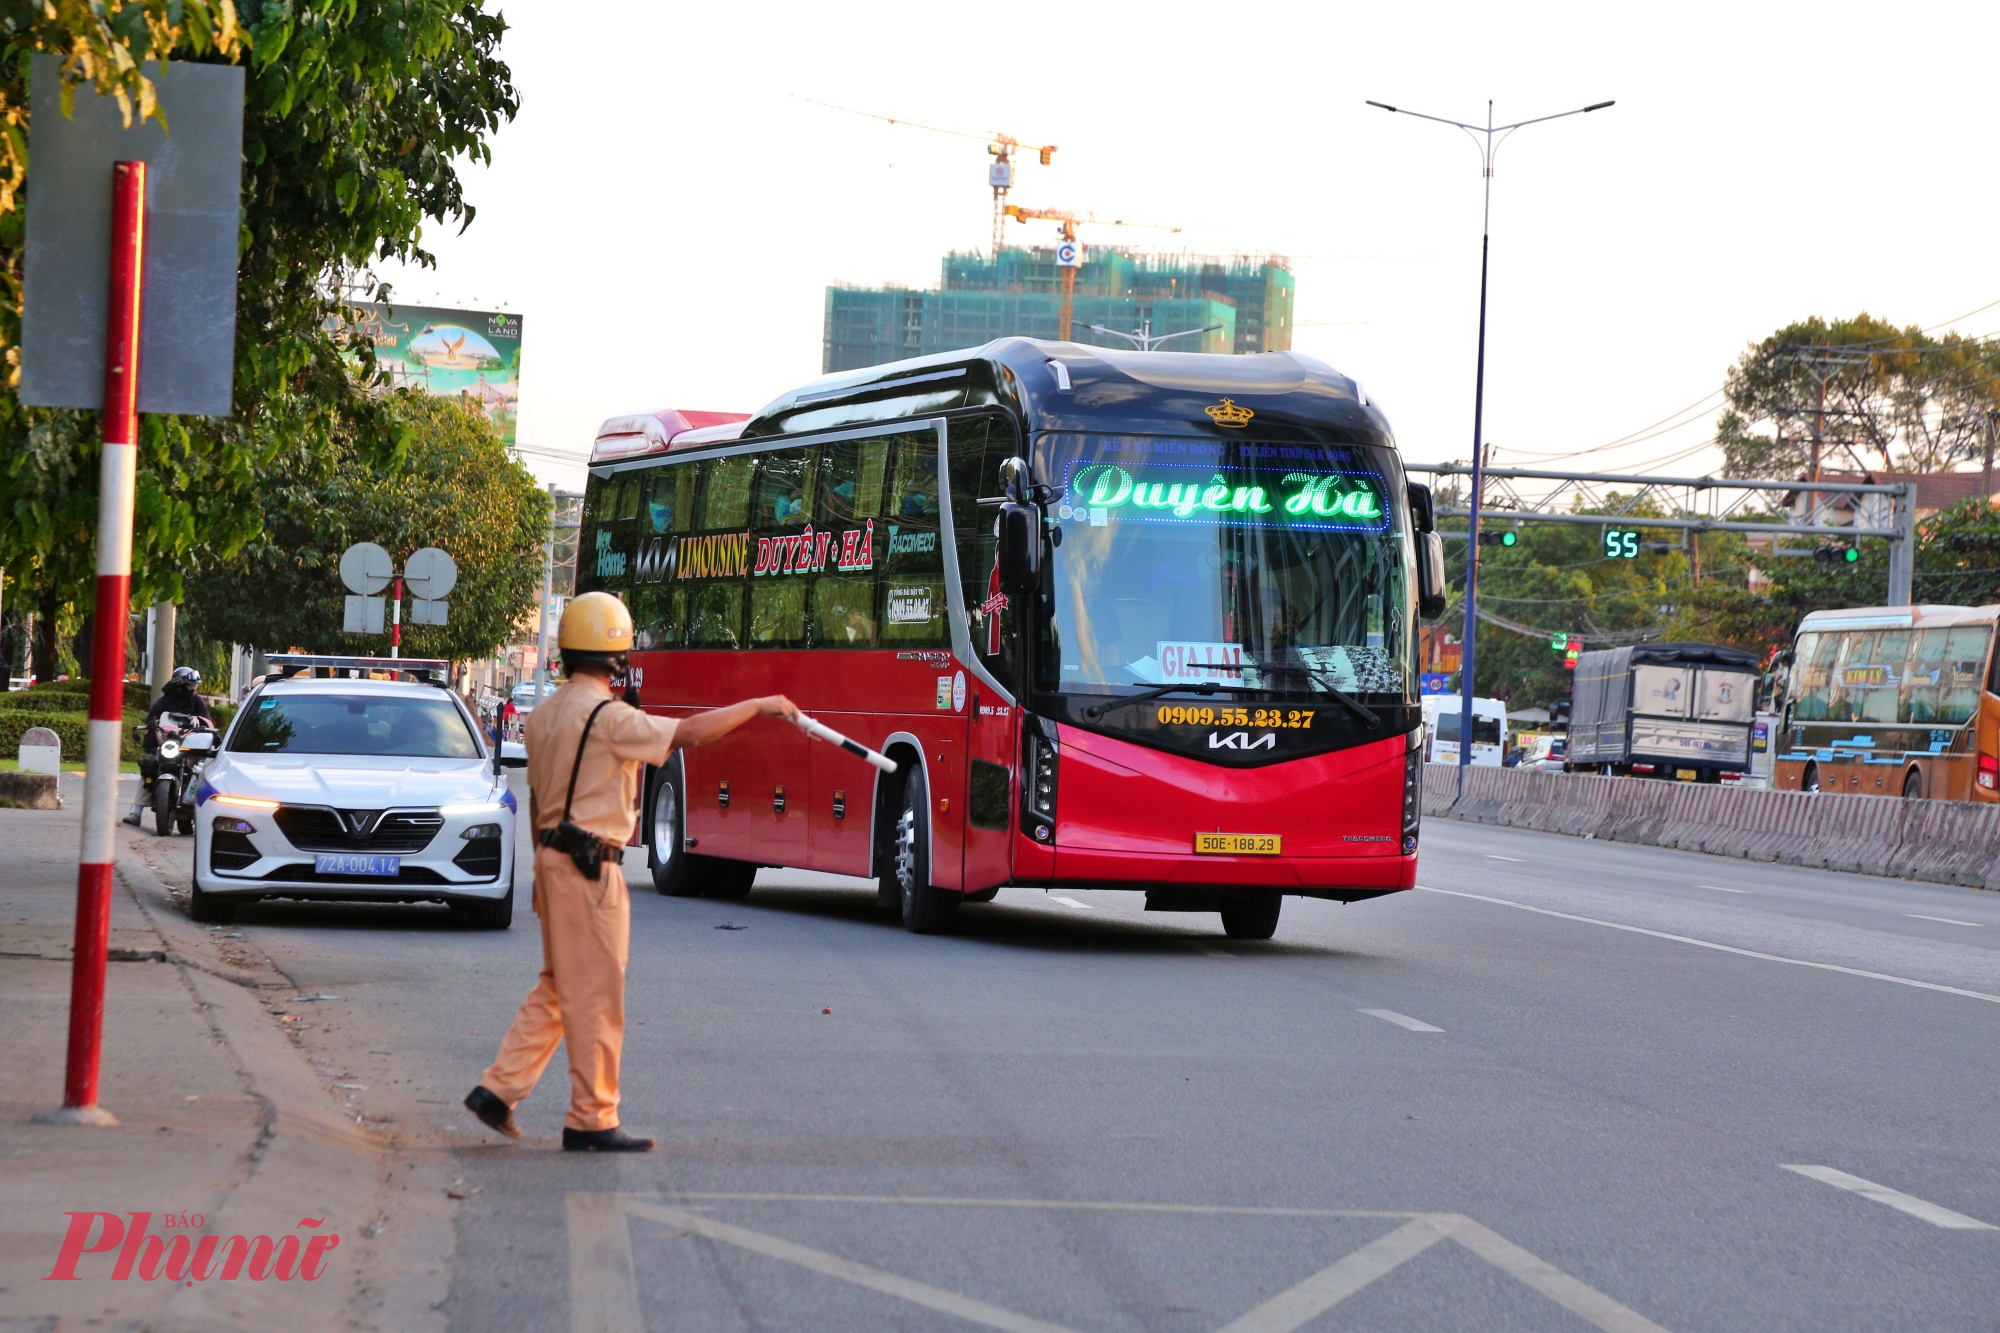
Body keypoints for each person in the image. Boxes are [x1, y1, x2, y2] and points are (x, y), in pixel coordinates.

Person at [463, 592, 803, 1152]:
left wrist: (538, 883)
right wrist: (758, 704)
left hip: (553, 860)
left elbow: (542, 797)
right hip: (593, 867)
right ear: (617, 656)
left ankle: (498, 1091)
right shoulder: (610, 717)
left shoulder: (546, 714)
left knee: (560, 984)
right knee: (596, 993)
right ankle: (592, 1119)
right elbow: (689, 735)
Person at [123, 666, 213, 827]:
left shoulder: (197, 702)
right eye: (190, 685)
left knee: (201, 770)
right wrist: (150, 726)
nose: (193, 688)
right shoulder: (163, 702)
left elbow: (206, 721)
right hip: (167, 746)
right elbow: (152, 720)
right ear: (180, 685)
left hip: (188, 749)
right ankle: (136, 812)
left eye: (194, 685)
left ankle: (202, 812)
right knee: (149, 765)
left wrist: (207, 730)